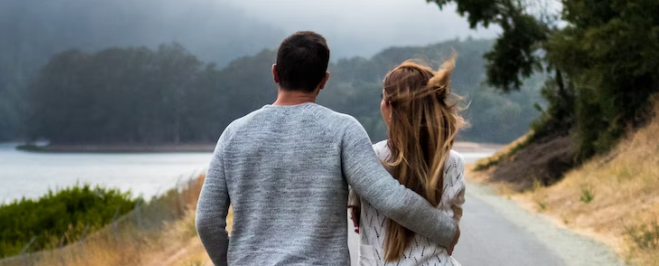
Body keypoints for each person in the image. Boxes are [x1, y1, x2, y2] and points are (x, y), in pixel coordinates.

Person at [195, 31, 460, 266]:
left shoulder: (234, 133)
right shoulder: (343, 129)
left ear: (275, 73)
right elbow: (391, 199)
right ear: (324, 80)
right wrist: (447, 231)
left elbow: (207, 220)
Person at [348, 59, 467, 266]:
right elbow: (453, 223)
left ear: (390, 107)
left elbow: (356, 217)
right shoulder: (454, 162)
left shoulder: (371, 157)